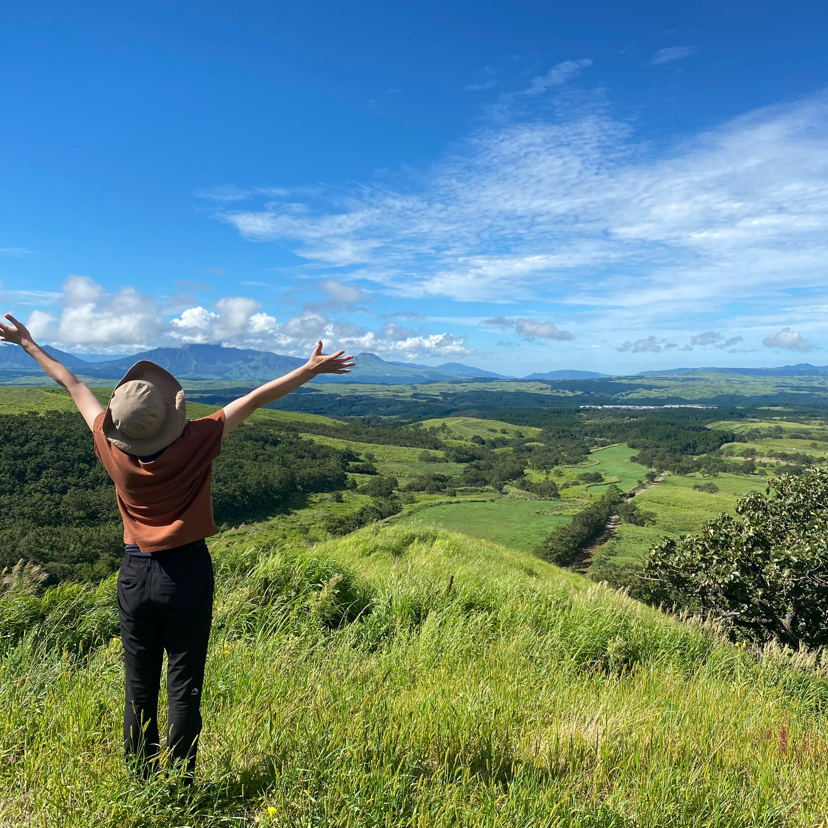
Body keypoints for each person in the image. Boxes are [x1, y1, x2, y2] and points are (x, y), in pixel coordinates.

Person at [0, 312, 354, 779]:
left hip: (132, 574)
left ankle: (140, 780)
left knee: (138, 687)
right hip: (185, 573)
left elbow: (72, 385)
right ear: (171, 415)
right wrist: (307, 370)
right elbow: (253, 400)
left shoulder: (109, 445)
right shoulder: (196, 441)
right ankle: (181, 782)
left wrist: (27, 343)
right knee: (183, 687)